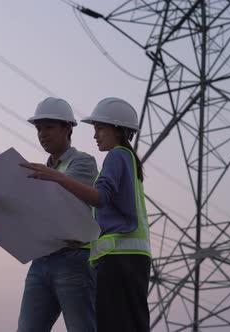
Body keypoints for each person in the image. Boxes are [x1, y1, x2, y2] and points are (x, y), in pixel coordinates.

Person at [0, 97, 99, 332]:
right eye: (39, 128)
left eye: (48, 127)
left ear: (68, 128)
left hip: (74, 260)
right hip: (41, 260)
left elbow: (57, 203)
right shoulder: (36, 172)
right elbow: (30, 214)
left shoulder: (83, 162)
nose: (42, 134)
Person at [20, 97, 151, 332]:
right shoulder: (125, 158)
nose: (95, 136)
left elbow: (99, 198)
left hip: (105, 257)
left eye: (100, 128)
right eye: (39, 128)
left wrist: (58, 178)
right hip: (110, 257)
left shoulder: (101, 159)